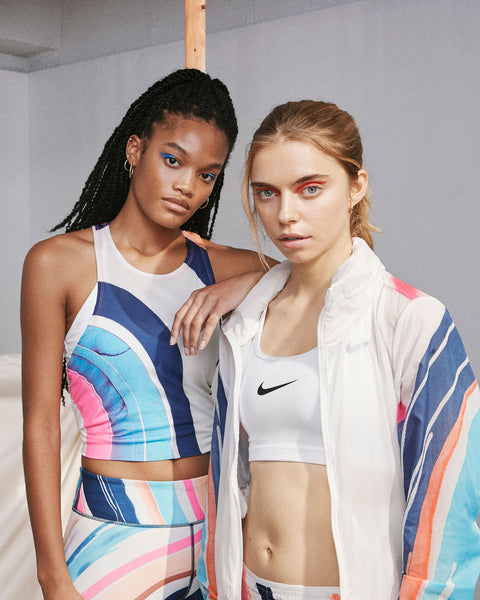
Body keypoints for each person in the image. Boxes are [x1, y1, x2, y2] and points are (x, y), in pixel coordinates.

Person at [198, 100, 480, 600]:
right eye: (267, 193)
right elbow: (227, 476)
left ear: (356, 187)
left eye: (310, 189)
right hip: (247, 586)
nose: (285, 215)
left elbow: (450, 498)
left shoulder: (409, 319)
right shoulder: (242, 324)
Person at [21, 68, 271, 600]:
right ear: (135, 149)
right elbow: (41, 426)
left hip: (219, 532)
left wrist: (245, 283)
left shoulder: (219, 266)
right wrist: (52, 576)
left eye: (208, 174)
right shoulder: (59, 264)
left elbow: (337, 277)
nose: (187, 186)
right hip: (114, 535)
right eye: (173, 160)